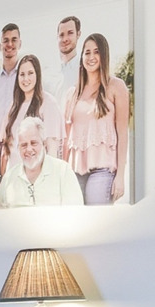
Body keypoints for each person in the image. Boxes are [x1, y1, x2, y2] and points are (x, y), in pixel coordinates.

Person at [61, 31, 130, 204]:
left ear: (104, 55)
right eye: (87, 52)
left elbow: (123, 135)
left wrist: (120, 175)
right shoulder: (72, 93)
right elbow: (65, 139)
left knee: (98, 220)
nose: (91, 57)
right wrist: (61, 175)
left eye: (96, 52)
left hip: (103, 171)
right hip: (74, 171)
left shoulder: (116, 86)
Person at [0, 115, 83, 208]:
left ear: (44, 143)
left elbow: (74, 214)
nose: (29, 149)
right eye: (24, 145)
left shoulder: (63, 171)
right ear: (18, 148)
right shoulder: (9, 177)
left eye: (33, 143)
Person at [0, 52, 45, 174]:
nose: (26, 79)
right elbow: (6, 149)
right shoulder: (13, 107)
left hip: (35, 177)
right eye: (22, 74)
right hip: (12, 177)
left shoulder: (46, 103)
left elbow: (52, 149)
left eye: (30, 73)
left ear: (37, 74)